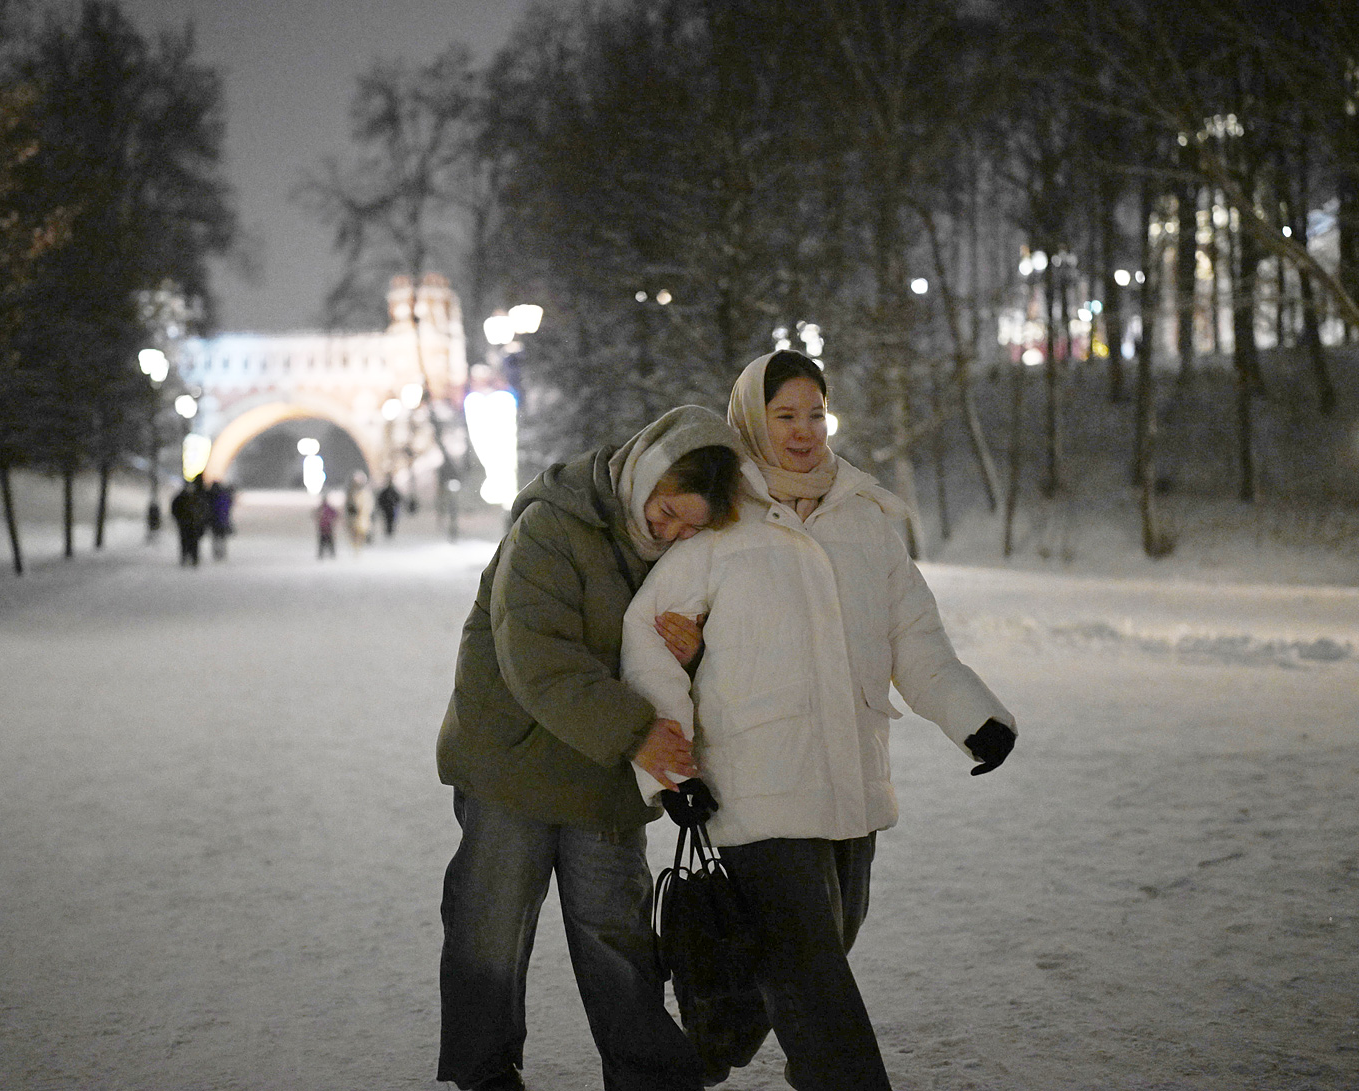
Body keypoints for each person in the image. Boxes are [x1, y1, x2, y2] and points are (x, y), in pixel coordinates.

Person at [621, 351, 1018, 1091]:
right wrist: (672, 768)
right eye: (784, 415)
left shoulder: (865, 518)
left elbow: (913, 637)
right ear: (751, 418)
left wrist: (975, 716)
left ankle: (705, 1045)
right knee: (813, 980)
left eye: (814, 413)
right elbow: (647, 638)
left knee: (821, 947)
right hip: (754, 785)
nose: (803, 431)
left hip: (851, 779)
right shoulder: (720, 521)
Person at [435, 405, 748, 1091]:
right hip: (513, 760)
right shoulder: (551, 527)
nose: (671, 533)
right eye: (667, 511)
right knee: (491, 925)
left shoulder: (687, 558)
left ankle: (648, 1076)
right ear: (646, 471)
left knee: (618, 932)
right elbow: (538, 659)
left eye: (692, 526)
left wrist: (695, 654)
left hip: (602, 774)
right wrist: (638, 732)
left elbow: (675, 665)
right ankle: (484, 1072)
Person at [169, 476, 211, 567]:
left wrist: (201, 520)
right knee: (185, 542)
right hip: (185, 524)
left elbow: (204, 510)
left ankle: (193, 558)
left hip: (194, 524)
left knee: (193, 542)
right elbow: (175, 509)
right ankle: (186, 558)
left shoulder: (197, 498)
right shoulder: (181, 498)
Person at [345, 470, 374, 549]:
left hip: (363, 519)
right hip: (353, 519)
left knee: (362, 534)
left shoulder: (365, 494)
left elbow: (368, 507)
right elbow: (348, 507)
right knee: (354, 536)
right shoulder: (351, 494)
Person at [208, 480, 234, 560]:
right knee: (222, 538)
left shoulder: (211, 498)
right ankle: (221, 553)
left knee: (216, 538)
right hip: (223, 520)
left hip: (214, 521)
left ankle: (217, 553)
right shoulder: (224, 497)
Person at [314, 492, 339, 558]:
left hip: (325, 526)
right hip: (325, 527)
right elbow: (335, 514)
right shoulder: (324, 508)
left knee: (325, 541)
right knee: (325, 541)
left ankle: (325, 554)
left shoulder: (323, 508)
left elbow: (335, 514)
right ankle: (327, 554)